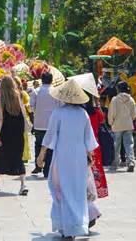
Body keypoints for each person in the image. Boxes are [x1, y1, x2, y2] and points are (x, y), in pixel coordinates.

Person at [36, 79, 98, 239]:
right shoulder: (83, 114)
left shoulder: (58, 113)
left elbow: (50, 135)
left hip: (63, 155)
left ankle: (66, 225)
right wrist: (90, 157)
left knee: (61, 188)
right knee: (77, 190)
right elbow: (88, 139)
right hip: (78, 156)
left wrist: (42, 154)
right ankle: (76, 223)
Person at [0, 76, 29, 195]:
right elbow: (23, 112)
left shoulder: (1, 99)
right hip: (18, 129)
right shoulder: (18, 96)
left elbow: (0, 118)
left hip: (6, 129)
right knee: (18, 156)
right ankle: (23, 184)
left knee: (0, 155)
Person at [70, 73, 108, 200]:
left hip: (81, 145)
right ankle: (97, 191)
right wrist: (97, 103)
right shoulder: (95, 110)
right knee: (95, 168)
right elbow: (103, 120)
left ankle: (83, 191)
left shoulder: (79, 112)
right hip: (94, 144)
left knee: (82, 171)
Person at [32, 71, 62, 177]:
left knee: (38, 144)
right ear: (51, 80)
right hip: (52, 124)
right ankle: (47, 169)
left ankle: (38, 166)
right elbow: (60, 106)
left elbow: (31, 106)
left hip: (39, 123)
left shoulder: (36, 91)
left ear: (42, 79)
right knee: (51, 147)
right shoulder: (56, 91)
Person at [107, 81, 136, 172]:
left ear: (118, 89)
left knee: (116, 145)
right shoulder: (131, 99)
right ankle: (131, 162)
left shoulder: (115, 99)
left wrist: (111, 122)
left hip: (117, 125)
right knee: (129, 145)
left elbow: (112, 113)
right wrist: (129, 119)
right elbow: (134, 114)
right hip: (128, 125)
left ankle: (115, 163)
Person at [20, 78, 32, 163]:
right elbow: (29, 106)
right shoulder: (22, 93)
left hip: (23, 117)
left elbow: (28, 105)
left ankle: (24, 156)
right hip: (22, 117)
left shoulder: (23, 93)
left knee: (24, 138)